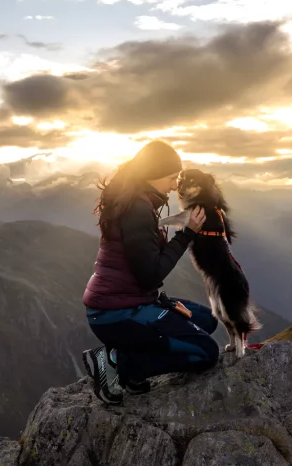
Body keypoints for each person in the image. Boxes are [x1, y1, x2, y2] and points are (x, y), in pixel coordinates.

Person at [81, 140, 218, 405]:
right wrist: (187, 234)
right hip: (116, 313)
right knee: (206, 353)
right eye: (171, 177)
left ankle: (133, 374)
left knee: (207, 321)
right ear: (153, 174)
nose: (175, 185)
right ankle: (118, 363)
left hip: (129, 302)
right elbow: (150, 275)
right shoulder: (138, 210)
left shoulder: (140, 202)